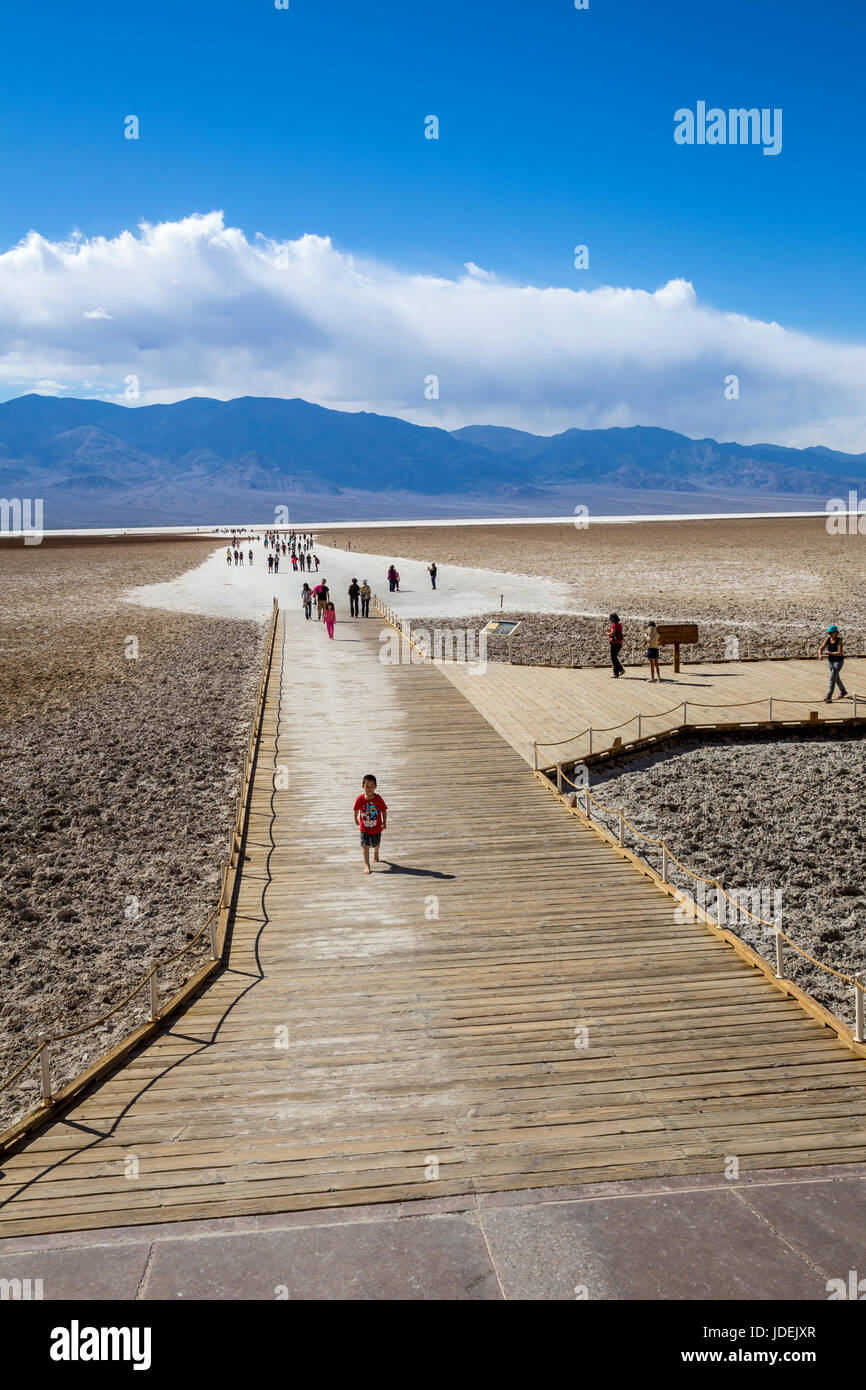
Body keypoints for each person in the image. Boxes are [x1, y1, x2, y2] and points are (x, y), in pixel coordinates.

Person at [354, 773, 388, 874]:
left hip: (377, 827)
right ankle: (367, 865)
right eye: (367, 786)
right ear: (362, 786)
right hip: (364, 828)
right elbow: (356, 809)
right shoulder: (360, 799)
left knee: (376, 843)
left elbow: (383, 810)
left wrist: (384, 822)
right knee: (365, 846)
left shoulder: (378, 798)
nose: (369, 789)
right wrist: (355, 818)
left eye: (372, 786)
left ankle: (376, 852)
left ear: (375, 787)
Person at [818, 625, 849, 702]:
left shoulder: (839, 640)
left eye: (831, 633)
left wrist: (829, 652)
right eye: (829, 633)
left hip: (838, 662)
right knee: (836, 677)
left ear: (836, 633)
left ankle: (829, 696)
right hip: (830, 661)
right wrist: (820, 654)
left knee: (832, 677)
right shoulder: (828, 639)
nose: (830, 634)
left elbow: (840, 653)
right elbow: (820, 648)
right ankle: (843, 691)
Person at [607, 613, 624, 678]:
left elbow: (611, 633)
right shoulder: (620, 625)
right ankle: (616, 673)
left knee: (613, 658)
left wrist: (606, 633)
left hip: (614, 643)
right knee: (614, 657)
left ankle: (620, 670)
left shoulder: (614, 625)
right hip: (619, 643)